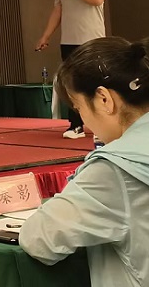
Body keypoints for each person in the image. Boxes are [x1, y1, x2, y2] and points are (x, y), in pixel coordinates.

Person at [19, 36, 149, 287]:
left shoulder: (114, 170)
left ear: (104, 99)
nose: (85, 123)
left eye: (79, 108)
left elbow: (40, 239)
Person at [35, 0, 107, 139]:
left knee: (94, 82)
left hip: (92, 41)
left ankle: (102, 125)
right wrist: (45, 36)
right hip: (68, 42)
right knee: (71, 84)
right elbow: (57, 12)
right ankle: (76, 125)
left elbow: (97, 0)